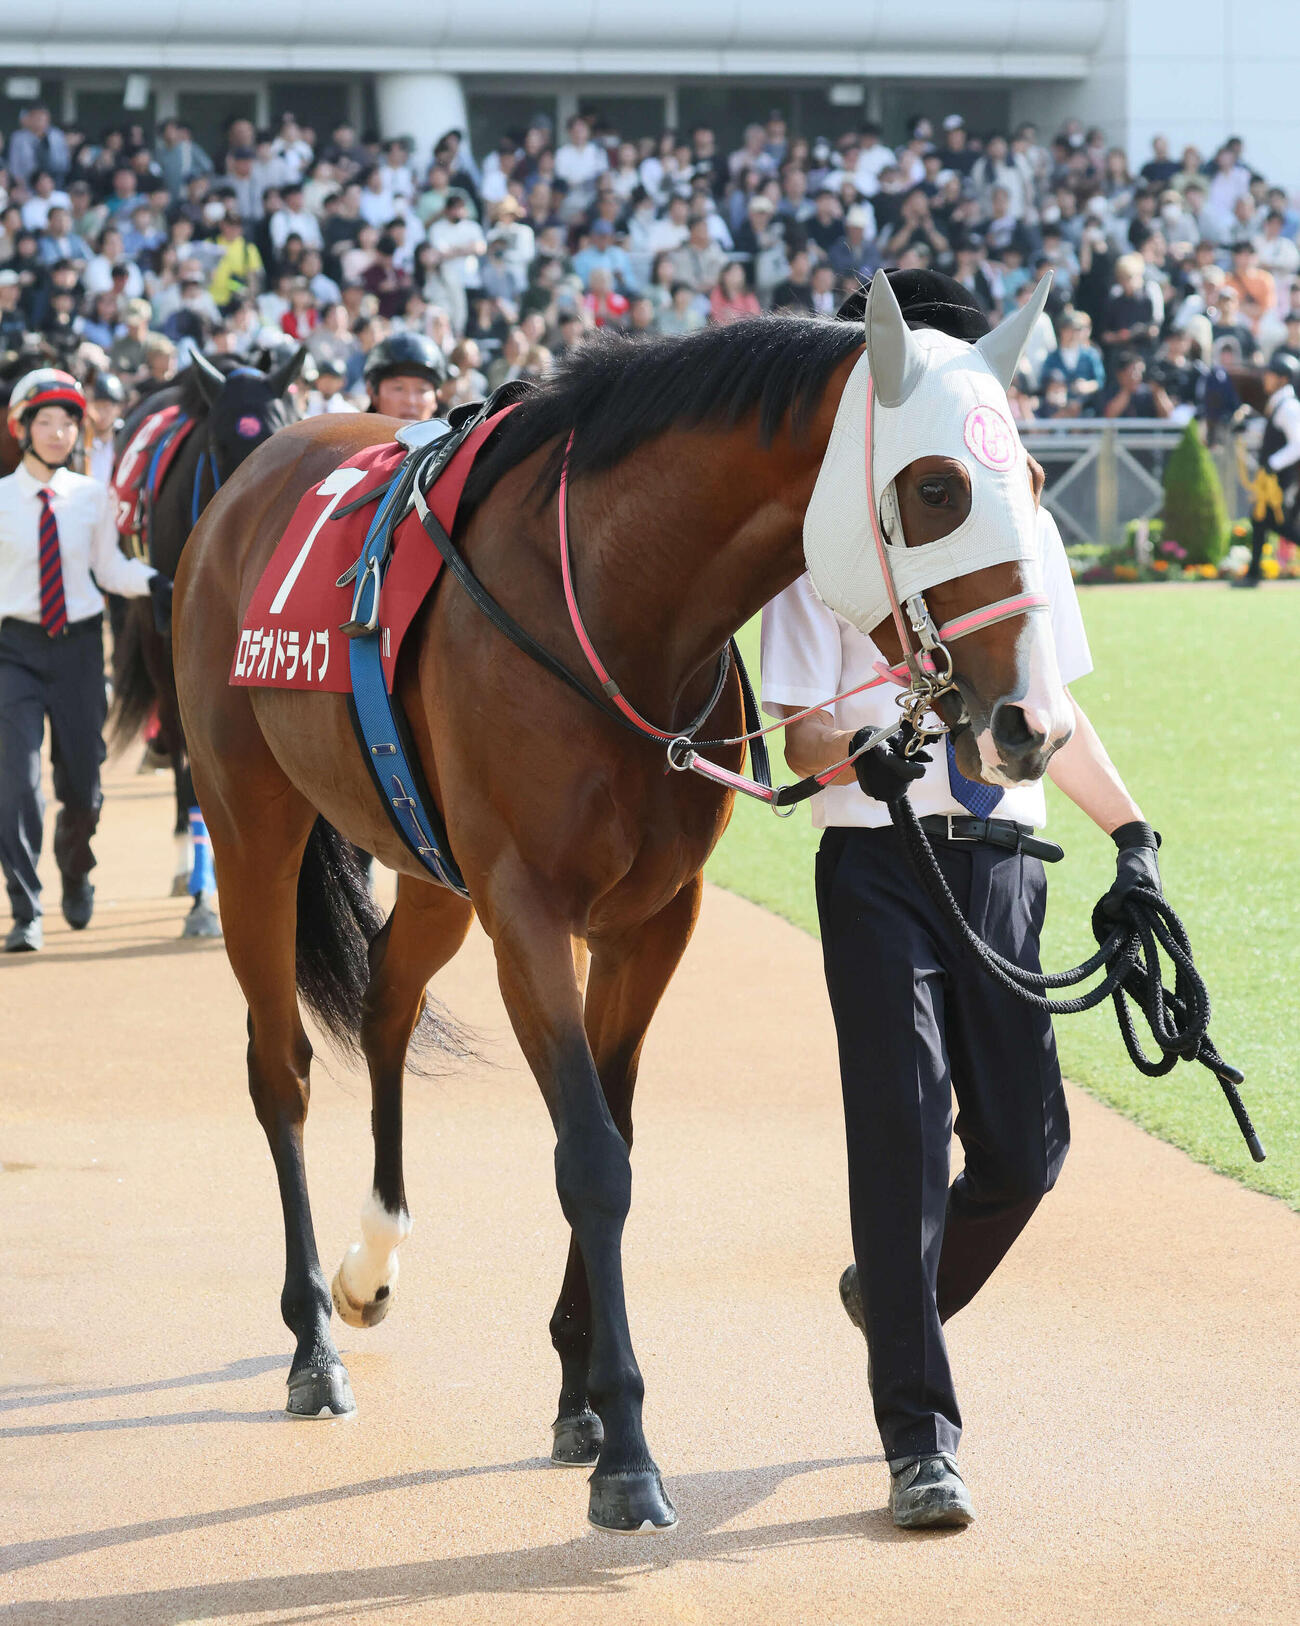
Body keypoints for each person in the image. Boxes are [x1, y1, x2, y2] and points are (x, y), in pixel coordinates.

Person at [761, 270, 1164, 1531]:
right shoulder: (827, 547)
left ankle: (896, 1301)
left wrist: (1132, 834)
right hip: (878, 865)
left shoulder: (1022, 528)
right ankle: (918, 1440)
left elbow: (1053, 711)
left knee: (1025, 1154)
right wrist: (858, 749)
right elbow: (796, 734)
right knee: (900, 1143)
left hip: (1005, 865)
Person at [0, 370, 169, 951]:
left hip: (77, 650)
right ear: (21, 428)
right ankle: (26, 908)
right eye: (45, 421)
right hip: (13, 652)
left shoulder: (92, 497)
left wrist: (157, 582)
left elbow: (110, 570)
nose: (57, 432)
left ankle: (75, 868)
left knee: (83, 785)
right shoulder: (1, 500)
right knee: (16, 783)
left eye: (68, 422)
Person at [1239, 350, 1300, 586]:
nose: (1265, 378)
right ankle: (1253, 573)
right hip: (1272, 476)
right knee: (1261, 520)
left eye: (1270, 374)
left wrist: (1273, 464)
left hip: (1279, 478)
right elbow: (1273, 433)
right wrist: (1247, 427)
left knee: (1275, 523)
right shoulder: (1278, 404)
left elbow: (1297, 444)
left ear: (1283, 379)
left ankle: (1253, 574)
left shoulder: (1288, 407)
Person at [362, 330, 454, 421]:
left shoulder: (455, 430)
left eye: (422, 390)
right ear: (373, 394)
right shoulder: (354, 430)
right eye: (398, 388)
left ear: (436, 397)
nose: (410, 401)